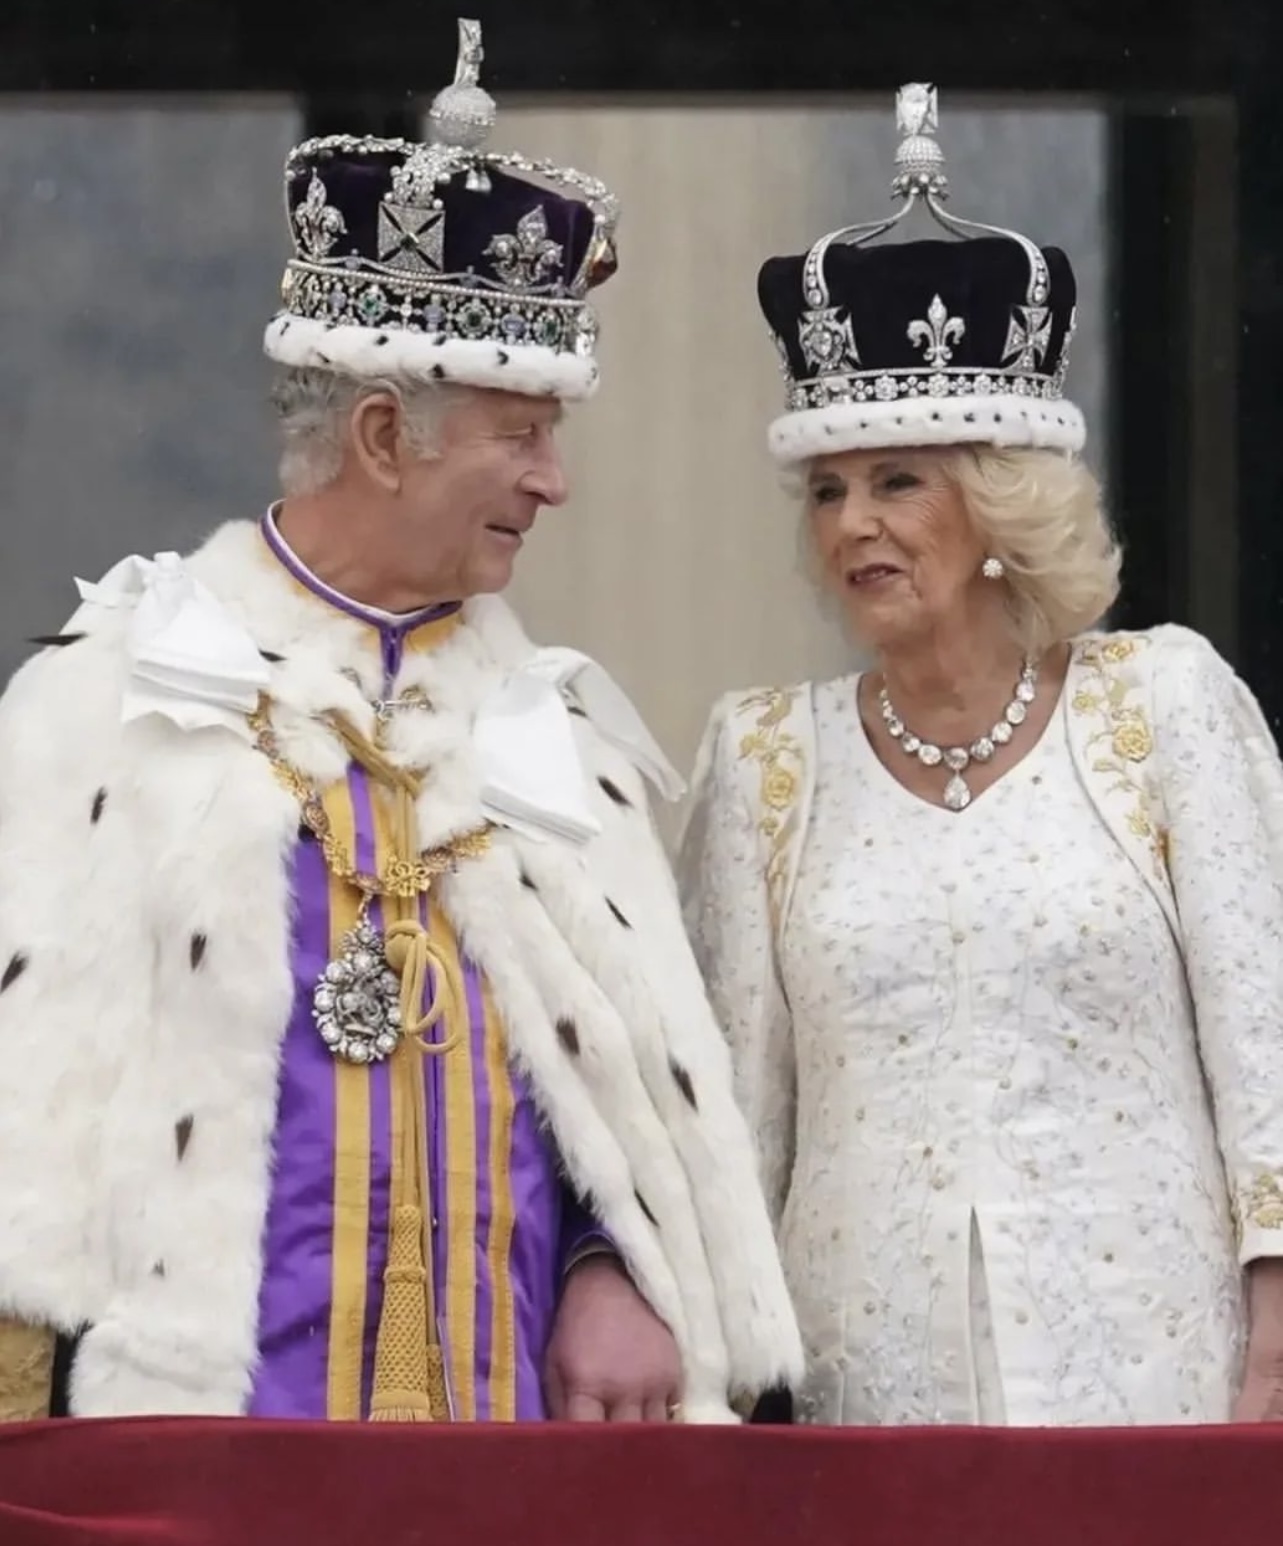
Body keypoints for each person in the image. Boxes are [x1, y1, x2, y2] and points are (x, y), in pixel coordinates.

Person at [0, 19, 801, 1426]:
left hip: (507, 1466)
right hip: (199, 1465)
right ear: (383, 437)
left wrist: (621, 1262)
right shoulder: (111, 691)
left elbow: (623, 1100)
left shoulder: (563, 749)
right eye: (523, 431)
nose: (555, 483)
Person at [678, 82, 1283, 1427]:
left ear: (1004, 499)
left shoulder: (1163, 708)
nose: (853, 525)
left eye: (900, 480)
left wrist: (1276, 1356)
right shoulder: (767, 761)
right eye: (830, 489)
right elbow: (730, 1134)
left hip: (1154, 1389)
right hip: (868, 1409)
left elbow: (1273, 1058)